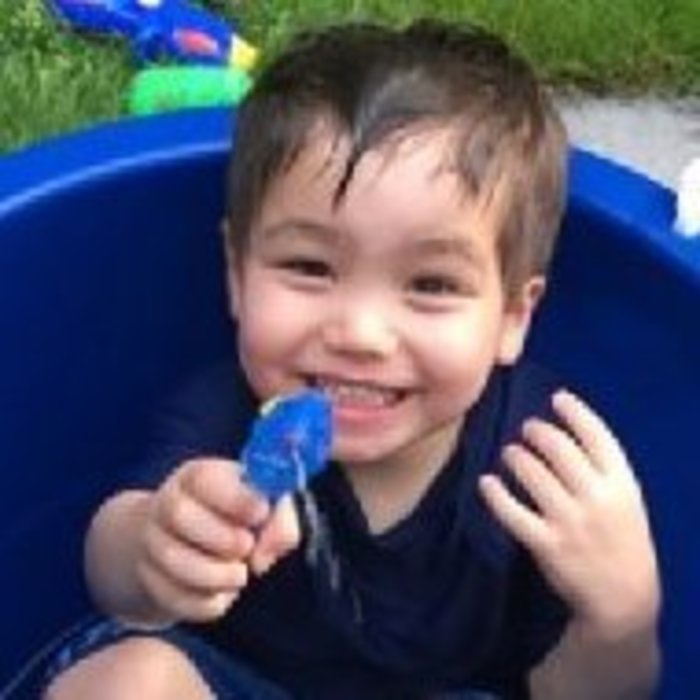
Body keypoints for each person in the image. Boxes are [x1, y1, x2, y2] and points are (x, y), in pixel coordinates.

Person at [44, 19, 660, 700]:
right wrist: (155, 546)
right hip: (237, 684)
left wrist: (621, 617)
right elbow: (112, 580)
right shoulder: (228, 418)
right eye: (310, 267)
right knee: (129, 680)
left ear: (513, 317)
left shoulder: (539, 461)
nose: (361, 334)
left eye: (432, 284)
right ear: (237, 275)